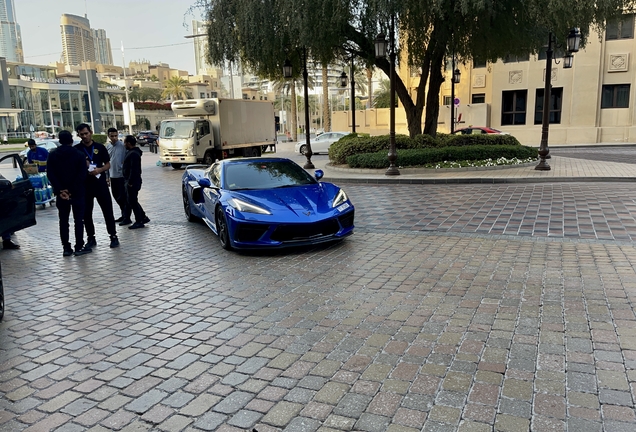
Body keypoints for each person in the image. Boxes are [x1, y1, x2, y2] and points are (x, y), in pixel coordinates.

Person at [74, 123, 119, 248]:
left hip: (100, 184)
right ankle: (91, 238)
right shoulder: (77, 149)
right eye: (81, 134)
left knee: (107, 211)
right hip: (85, 186)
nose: (84, 136)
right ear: (78, 135)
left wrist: (99, 170)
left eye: (86, 133)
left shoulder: (100, 147)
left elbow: (108, 164)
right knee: (87, 213)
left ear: (91, 132)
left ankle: (113, 236)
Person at [47, 131, 91, 256]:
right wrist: (71, 190)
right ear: (71, 140)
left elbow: (50, 174)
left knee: (63, 220)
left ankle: (66, 247)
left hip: (61, 194)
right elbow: (82, 175)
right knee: (78, 219)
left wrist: (61, 190)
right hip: (77, 192)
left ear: (59, 140)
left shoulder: (53, 155)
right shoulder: (79, 155)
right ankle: (79, 246)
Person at [122, 135, 150, 229]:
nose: (124, 144)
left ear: (129, 143)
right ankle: (143, 217)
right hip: (130, 181)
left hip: (133, 182)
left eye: (125, 142)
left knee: (133, 201)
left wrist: (130, 182)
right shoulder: (131, 152)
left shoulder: (134, 154)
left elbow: (134, 169)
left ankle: (139, 221)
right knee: (132, 200)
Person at [105, 127, 128, 224]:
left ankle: (126, 217)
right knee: (116, 196)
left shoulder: (123, 146)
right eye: (112, 136)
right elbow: (106, 162)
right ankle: (123, 214)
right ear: (108, 136)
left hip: (121, 176)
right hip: (112, 176)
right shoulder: (108, 147)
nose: (114, 138)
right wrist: (107, 176)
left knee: (123, 197)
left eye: (116, 136)